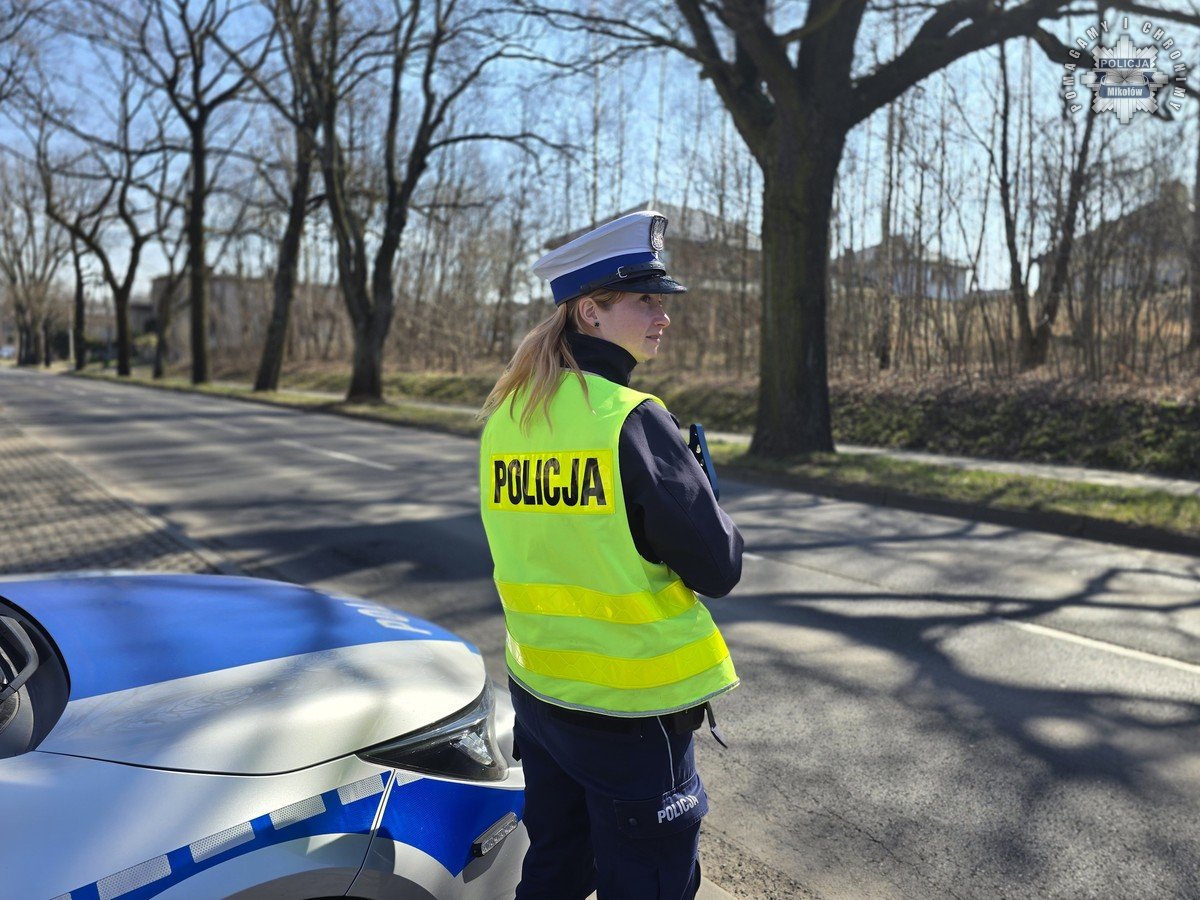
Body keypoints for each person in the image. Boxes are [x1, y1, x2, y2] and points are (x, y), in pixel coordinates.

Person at [477, 210, 744, 899]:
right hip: (630, 716)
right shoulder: (632, 418)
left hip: (541, 697)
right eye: (645, 300)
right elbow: (719, 567)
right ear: (591, 311)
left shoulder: (508, 418)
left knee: (556, 872)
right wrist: (702, 491)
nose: (663, 316)